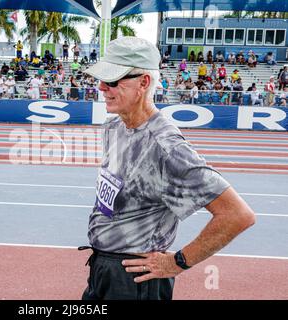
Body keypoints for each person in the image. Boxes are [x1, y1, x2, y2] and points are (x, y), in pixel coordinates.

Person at [80, 36, 255, 300]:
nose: (102, 87)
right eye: (102, 79)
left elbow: (238, 215)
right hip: (102, 269)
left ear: (144, 83)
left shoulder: (167, 148)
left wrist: (177, 262)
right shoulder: (114, 126)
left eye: (113, 80)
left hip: (134, 281)